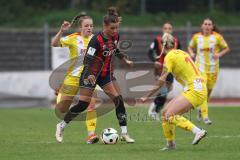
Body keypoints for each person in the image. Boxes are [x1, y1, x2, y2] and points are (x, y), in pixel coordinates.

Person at [55, 8, 135, 143]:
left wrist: (124, 59)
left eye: (116, 28)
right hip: (89, 75)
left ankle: (125, 133)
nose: (115, 31)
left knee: (118, 100)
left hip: (105, 75)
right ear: (105, 26)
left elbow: (115, 49)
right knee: (83, 105)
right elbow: (87, 60)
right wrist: (89, 75)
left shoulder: (115, 36)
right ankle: (61, 125)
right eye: (112, 28)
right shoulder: (96, 41)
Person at [141, 33, 207, 150]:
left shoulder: (169, 57)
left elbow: (162, 80)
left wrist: (146, 96)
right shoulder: (182, 52)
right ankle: (170, 145)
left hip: (195, 89)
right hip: (198, 87)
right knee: (165, 113)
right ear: (175, 43)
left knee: (170, 115)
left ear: (162, 46)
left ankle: (197, 131)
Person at [51, 12, 99, 144]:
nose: (89, 28)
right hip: (72, 77)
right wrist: (61, 31)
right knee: (62, 109)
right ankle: (61, 124)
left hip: (88, 78)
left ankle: (91, 135)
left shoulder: (96, 40)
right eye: (87, 25)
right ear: (80, 27)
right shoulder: (73, 38)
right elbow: (54, 43)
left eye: (91, 26)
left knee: (91, 105)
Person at [188, 18, 230, 124]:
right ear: (202, 26)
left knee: (208, 92)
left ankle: (200, 111)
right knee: (204, 90)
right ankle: (206, 117)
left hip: (213, 69)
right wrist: (192, 54)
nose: (207, 26)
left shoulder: (217, 37)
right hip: (200, 68)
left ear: (212, 26)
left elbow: (226, 48)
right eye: (205, 24)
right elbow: (190, 46)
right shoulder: (196, 37)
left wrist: (219, 54)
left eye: (209, 24)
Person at [147, 22, 181, 120]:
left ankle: (156, 111)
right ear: (163, 30)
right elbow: (150, 52)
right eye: (165, 28)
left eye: (169, 28)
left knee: (166, 91)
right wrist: (154, 61)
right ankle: (152, 109)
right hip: (160, 69)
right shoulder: (157, 40)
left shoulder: (176, 41)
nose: (167, 30)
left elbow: (179, 54)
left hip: (171, 70)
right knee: (164, 90)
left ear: (172, 30)